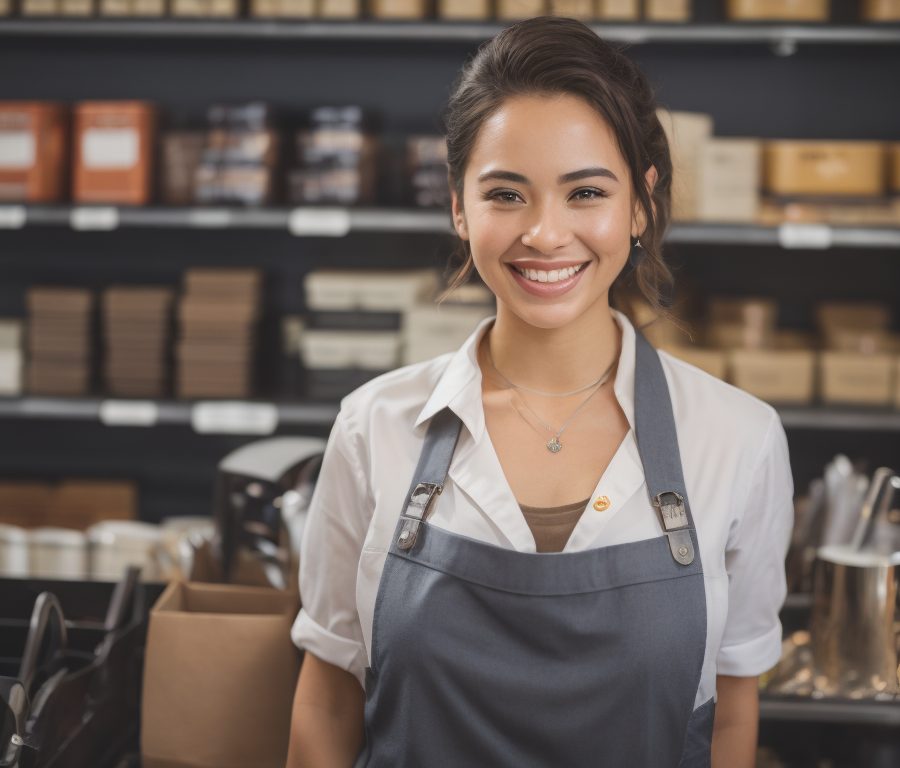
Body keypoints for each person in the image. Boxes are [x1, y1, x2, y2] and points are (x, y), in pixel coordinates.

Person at [286, 16, 793, 768]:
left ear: (642, 204)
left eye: (585, 192)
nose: (547, 235)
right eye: (507, 195)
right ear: (460, 207)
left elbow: (729, 711)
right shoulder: (373, 428)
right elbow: (328, 700)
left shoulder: (738, 438)